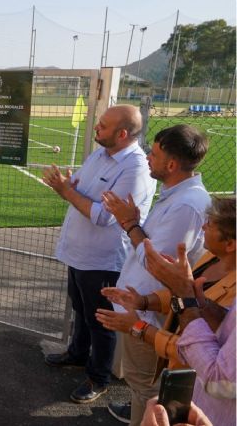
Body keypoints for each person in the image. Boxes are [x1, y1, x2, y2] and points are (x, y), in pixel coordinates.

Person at [41, 105, 156, 404]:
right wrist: (63, 185)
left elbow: (105, 216)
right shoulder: (100, 153)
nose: (96, 129)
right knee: (80, 308)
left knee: (101, 320)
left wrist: (68, 192)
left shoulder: (135, 168)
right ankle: (77, 353)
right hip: (79, 253)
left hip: (103, 260)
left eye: (102, 126)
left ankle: (98, 378)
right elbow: (77, 184)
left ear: (122, 134)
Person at [101, 124, 211, 426]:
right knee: (142, 383)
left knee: (147, 385)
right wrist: (135, 224)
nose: (148, 157)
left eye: (155, 153)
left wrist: (130, 225)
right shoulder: (179, 197)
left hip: (149, 312)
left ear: (172, 164)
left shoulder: (187, 206)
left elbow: (155, 263)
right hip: (142, 304)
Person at [142, 239, 235, 426]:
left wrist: (140, 329)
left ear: (230, 244)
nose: (202, 226)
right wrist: (200, 302)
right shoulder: (211, 257)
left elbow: (221, 382)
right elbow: (229, 327)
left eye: (210, 223)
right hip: (198, 410)